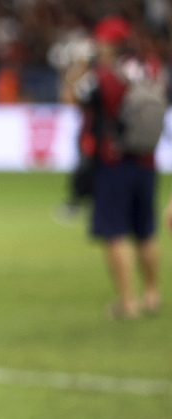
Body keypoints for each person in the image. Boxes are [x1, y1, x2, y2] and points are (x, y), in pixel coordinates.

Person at [65, 16, 168, 318]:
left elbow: (72, 97)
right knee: (146, 232)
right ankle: (152, 294)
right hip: (147, 160)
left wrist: (80, 64)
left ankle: (128, 302)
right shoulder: (150, 67)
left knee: (115, 233)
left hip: (113, 162)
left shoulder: (104, 74)